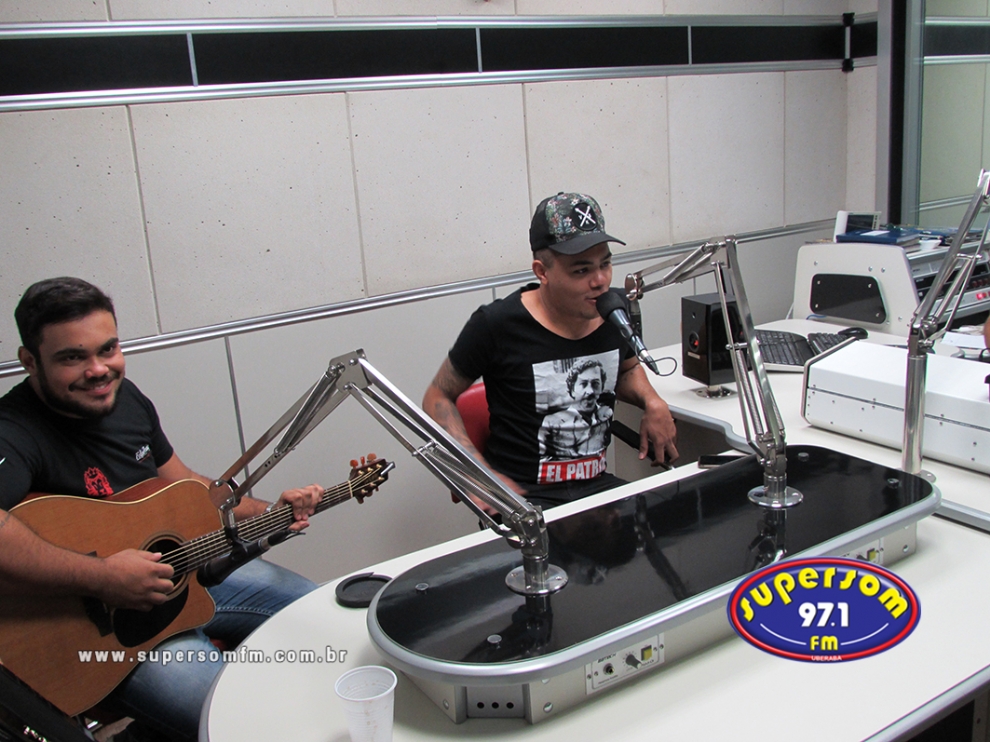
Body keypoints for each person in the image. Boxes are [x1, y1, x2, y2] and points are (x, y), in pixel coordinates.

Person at [0, 277, 324, 741]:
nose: (99, 370)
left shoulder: (126, 400)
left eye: (108, 349)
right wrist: (103, 577)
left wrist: (268, 511)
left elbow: (185, 484)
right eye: (73, 357)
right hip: (102, 636)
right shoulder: (12, 431)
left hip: (183, 580)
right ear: (30, 361)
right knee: (241, 723)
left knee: (322, 617)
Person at [423, 192, 678, 511]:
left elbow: (625, 369)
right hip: (524, 498)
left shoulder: (613, 310)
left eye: (605, 263)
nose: (600, 281)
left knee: (673, 519)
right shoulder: (496, 324)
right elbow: (437, 396)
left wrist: (653, 402)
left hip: (596, 487)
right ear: (542, 271)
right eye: (581, 271)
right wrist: (477, 473)